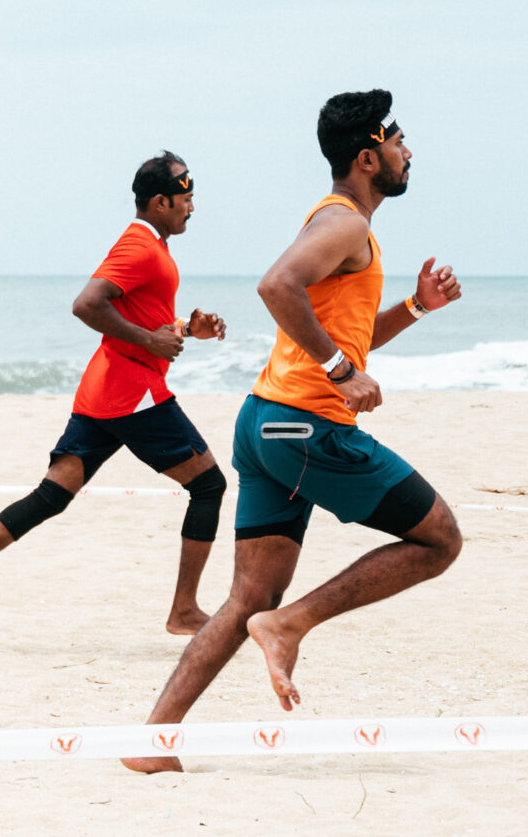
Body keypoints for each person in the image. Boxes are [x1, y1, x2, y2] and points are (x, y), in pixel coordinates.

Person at [123, 90, 465, 773]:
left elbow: (347, 333)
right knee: (439, 539)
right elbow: (276, 286)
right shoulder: (345, 225)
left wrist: (416, 308)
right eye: (398, 140)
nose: (408, 151)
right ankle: (290, 626)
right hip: (305, 428)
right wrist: (340, 372)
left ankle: (151, 743)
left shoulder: (340, 227)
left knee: (248, 598)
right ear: (367, 157)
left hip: (265, 423)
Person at [0, 153, 229, 645]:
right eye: (187, 198)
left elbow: (140, 320)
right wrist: (150, 341)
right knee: (210, 485)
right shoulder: (140, 246)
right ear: (160, 202)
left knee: (51, 496)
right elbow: (87, 304)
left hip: (104, 391)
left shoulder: (153, 247)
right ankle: (184, 610)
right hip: (133, 395)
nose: (192, 207)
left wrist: (183, 330)